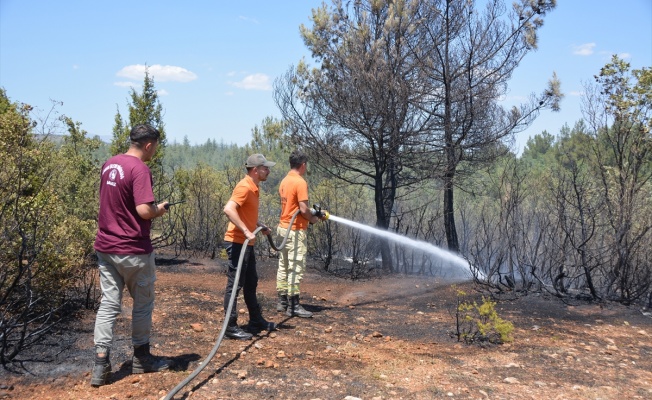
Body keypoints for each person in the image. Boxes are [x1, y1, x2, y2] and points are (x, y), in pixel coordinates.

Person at [91, 124, 174, 387]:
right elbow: (143, 210)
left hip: (106, 247)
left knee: (108, 303)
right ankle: (142, 359)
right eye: (156, 146)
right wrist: (159, 209)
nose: (155, 151)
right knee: (142, 304)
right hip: (133, 250)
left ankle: (101, 363)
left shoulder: (109, 164)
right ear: (149, 145)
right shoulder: (140, 169)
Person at [222, 153, 277, 340]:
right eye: (265, 168)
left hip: (246, 242)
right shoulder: (245, 186)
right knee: (235, 285)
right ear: (255, 170)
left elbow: (245, 212)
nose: (268, 170)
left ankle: (255, 320)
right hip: (237, 242)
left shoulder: (254, 186)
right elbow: (229, 209)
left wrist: (259, 225)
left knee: (251, 282)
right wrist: (246, 230)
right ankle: (230, 327)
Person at [276, 150, 327, 318]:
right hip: (295, 231)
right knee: (295, 267)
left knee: (283, 266)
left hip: (283, 229)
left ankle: (282, 301)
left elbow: (293, 206)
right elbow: (303, 210)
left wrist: (314, 212)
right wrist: (313, 219)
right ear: (303, 165)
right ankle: (294, 306)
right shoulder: (300, 182)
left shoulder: (284, 181)